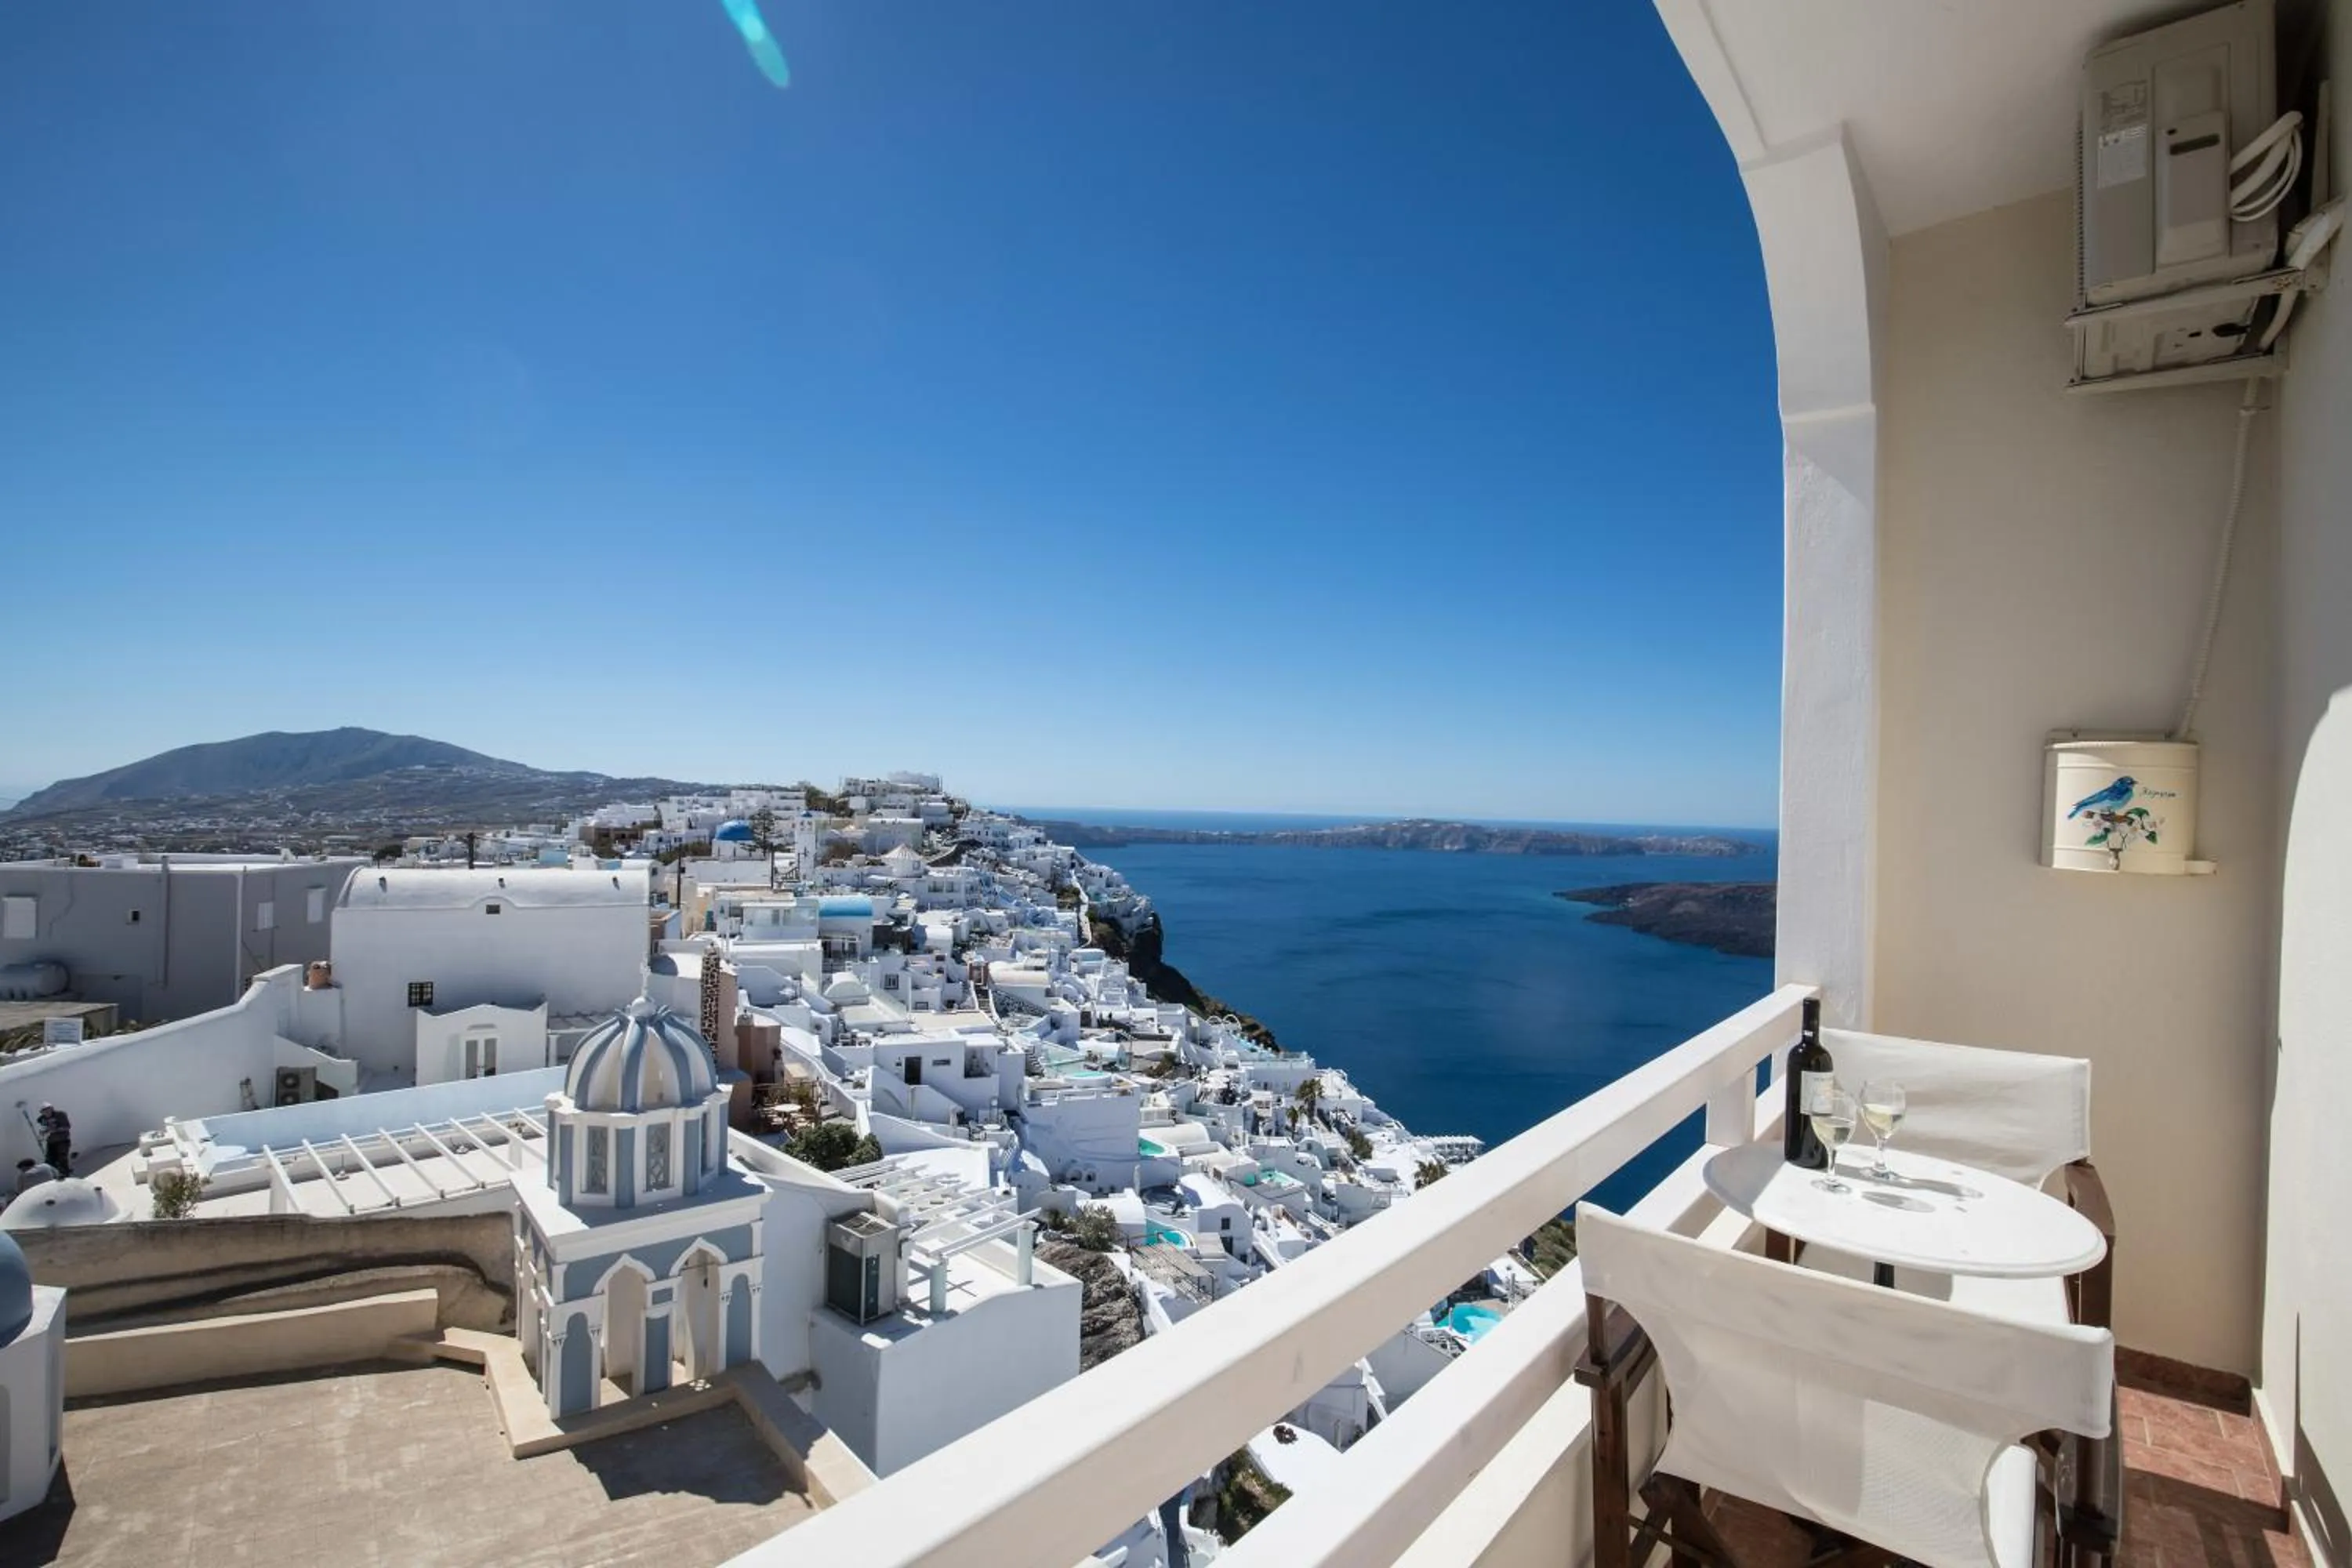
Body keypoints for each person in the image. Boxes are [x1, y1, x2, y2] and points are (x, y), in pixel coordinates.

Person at [35, 1102, 71, 1174]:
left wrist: (55, 1130)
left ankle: (66, 1174)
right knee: (49, 1161)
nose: (47, 1112)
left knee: (62, 1158)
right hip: (51, 1142)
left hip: (62, 1140)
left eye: (48, 1109)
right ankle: (54, 1175)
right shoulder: (43, 1119)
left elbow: (67, 1127)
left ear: (52, 1109)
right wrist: (41, 1137)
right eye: (44, 1111)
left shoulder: (60, 1115)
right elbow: (43, 1129)